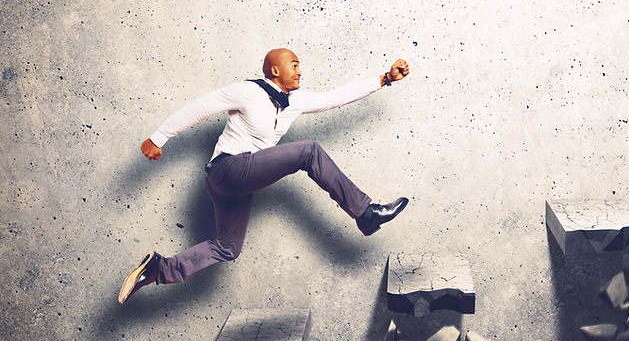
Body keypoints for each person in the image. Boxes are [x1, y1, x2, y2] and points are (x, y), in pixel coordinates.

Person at [118, 48, 410, 304]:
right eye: (294, 64)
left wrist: (384, 78)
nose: (300, 70)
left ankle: (158, 269)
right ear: (275, 70)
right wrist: (158, 138)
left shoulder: (294, 101)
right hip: (227, 169)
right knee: (309, 151)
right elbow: (200, 107)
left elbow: (336, 97)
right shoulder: (247, 91)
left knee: (228, 247)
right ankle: (366, 212)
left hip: (238, 186)